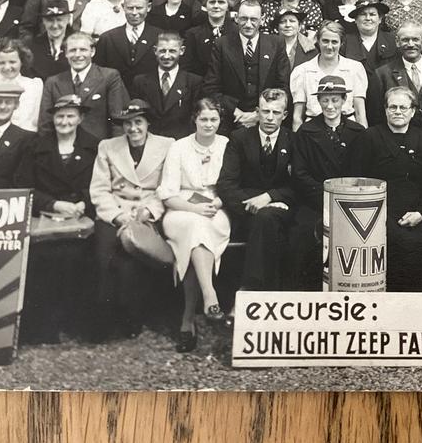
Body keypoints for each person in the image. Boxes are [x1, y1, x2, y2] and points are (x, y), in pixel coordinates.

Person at [88, 100, 174, 340]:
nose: (133, 128)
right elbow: (99, 189)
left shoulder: (167, 146)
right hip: (114, 212)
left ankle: (131, 319)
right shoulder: (108, 147)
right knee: (105, 255)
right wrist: (117, 216)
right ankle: (104, 322)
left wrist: (149, 210)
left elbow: (167, 186)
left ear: (148, 124)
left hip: (146, 213)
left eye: (138, 122)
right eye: (128, 123)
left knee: (133, 258)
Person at [347, 87, 422, 292]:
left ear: (413, 111)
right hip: (379, 213)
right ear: (385, 110)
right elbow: (356, 178)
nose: (398, 111)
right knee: (397, 244)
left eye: (403, 107)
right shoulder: (369, 137)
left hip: (418, 211)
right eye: (393, 107)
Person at [24, 95, 101, 344]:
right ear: (53, 119)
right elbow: (25, 186)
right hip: (45, 218)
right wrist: (54, 204)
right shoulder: (37, 146)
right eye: (60, 116)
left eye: (70, 116)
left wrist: (82, 203)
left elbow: (101, 184)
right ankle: (44, 328)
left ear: (80, 118)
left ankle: (76, 324)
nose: (65, 121)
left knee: (80, 258)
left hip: (81, 219)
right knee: (43, 259)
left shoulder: (94, 146)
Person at [157, 98, 230, 351]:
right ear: (195, 120)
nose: (208, 124)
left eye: (214, 119)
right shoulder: (179, 147)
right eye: (203, 119)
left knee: (197, 236)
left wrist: (217, 204)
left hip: (216, 208)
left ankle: (187, 321)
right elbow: (168, 193)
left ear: (220, 121)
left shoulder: (227, 145)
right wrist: (193, 208)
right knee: (194, 227)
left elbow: (231, 186)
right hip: (181, 209)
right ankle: (209, 294)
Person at [289, 75, 366, 290]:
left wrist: (345, 199)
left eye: (335, 100)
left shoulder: (358, 133)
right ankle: (305, 295)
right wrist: (325, 199)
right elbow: (300, 173)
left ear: (344, 101)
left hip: (349, 203)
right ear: (318, 102)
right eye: (325, 100)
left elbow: (361, 172)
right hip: (315, 202)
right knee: (302, 236)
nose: (330, 106)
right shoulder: (306, 132)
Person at [217, 89, 297, 291]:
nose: (270, 117)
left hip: (283, 207)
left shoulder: (294, 140)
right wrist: (256, 203)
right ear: (257, 112)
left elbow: (298, 183)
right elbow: (226, 184)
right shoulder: (239, 138)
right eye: (265, 111)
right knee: (265, 220)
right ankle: (263, 293)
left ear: (285, 115)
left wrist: (270, 197)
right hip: (246, 209)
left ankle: (250, 289)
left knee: (269, 221)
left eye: (276, 113)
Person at [202, 0, 291, 133]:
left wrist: (259, 114)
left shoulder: (276, 44)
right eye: (244, 18)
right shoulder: (222, 44)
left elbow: (283, 86)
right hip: (231, 121)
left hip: (267, 120)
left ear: (262, 19)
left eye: (253, 19)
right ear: (236, 18)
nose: (248, 24)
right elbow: (211, 87)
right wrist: (235, 112)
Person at [39, 32, 129, 140]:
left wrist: (115, 152)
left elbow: (118, 121)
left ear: (92, 52)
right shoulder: (53, 82)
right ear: (66, 53)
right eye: (72, 50)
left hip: (98, 148)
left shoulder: (109, 77)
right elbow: (45, 124)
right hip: (63, 148)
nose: (77, 55)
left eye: (83, 50)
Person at [368, 22, 422, 129]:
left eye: (415, 39)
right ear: (397, 42)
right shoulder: (382, 74)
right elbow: (376, 115)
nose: (411, 44)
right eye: (405, 40)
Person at [290, 21, 368, 130]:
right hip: (313, 130)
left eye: (334, 42)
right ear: (318, 41)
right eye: (325, 41)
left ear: (341, 43)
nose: (329, 46)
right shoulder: (302, 71)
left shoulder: (355, 68)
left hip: (347, 129)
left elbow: (360, 114)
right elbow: (297, 117)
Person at [130, 32, 202, 140]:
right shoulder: (140, 81)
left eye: (172, 51)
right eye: (162, 51)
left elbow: (196, 118)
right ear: (155, 51)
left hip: (180, 144)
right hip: (150, 144)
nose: (167, 56)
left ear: (181, 51)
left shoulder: (193, 82)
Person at [93, 0, 160, 91]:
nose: (134, 13)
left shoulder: (159, 37)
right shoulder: (107, 38)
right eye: (130, 8)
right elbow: (98, 73)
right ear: (123, 7)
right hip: (116, 96)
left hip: (149, 97)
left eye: (139, 8)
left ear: (148, 7)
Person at [0, 38, 43, 131]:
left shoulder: (34, 86)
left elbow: (36, 121)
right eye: (2, 63)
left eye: (12, 62)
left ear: (21, 61)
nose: (7, 67)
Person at [182, 0, 235, 76]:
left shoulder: (237, 33)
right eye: (212, 2)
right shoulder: (193, 35)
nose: (216, 6)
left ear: (228, 6)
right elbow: (187, 69)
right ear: (206, 5)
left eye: (221, 2)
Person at [341, 0, 397, 75]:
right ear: (356, 20)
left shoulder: (392, 40)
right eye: (363, 14)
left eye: (372, 14)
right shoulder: (345, 42)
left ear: (380, 19)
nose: (368, 18)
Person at [28, 0, 72, 81]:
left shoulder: (78, 43)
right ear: (43, 21)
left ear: (68, 19)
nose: (55, 26)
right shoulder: (33, 45)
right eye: (50, 20)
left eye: (59, 20)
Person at [273, 7, 317, 71]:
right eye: (283, 22)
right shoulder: (267, 47)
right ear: (277, 27)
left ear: (299, 26)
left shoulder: (311, 50)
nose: (288, 25)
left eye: (292, 21)